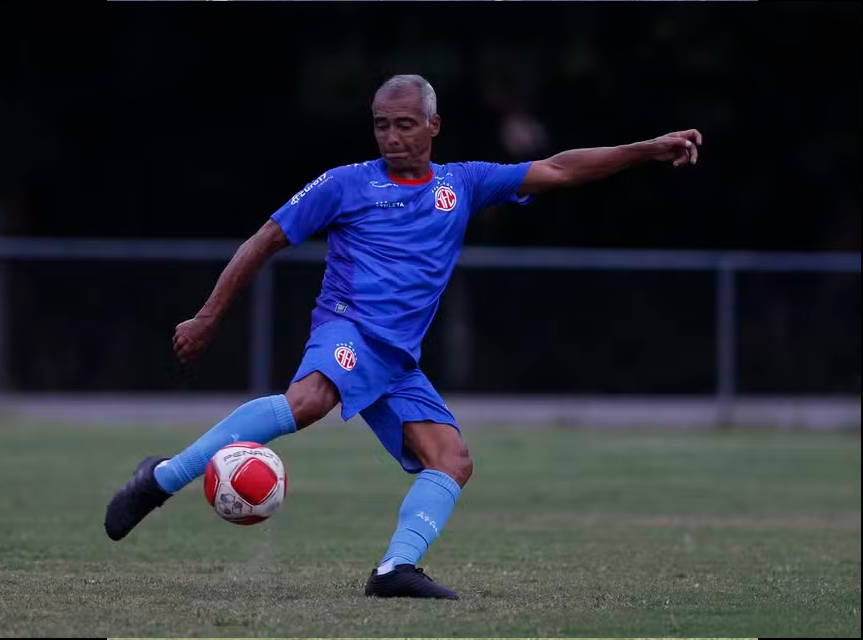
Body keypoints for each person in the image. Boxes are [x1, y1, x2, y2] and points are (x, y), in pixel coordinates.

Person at [104, 74, 701, 600]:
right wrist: (209, 316)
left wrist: (646, 149)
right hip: (348, 328)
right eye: (382, 125)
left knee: (452, 460)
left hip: (396, 360)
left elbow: (561, 167)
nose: (391, 137)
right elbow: (265, 239)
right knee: (309, 401)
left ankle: (395, 568)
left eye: (405, 124)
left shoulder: (463, 184)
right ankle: (162, 479)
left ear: (434, 125)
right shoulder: (344, 184)